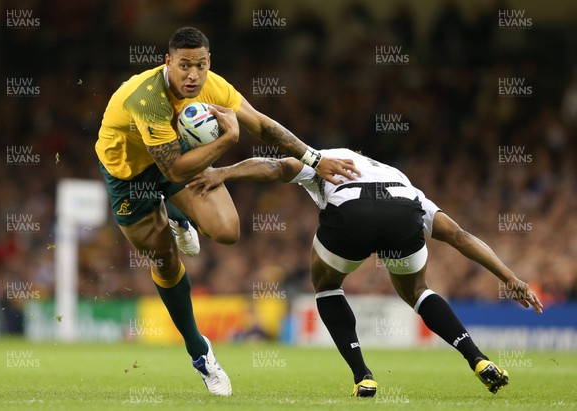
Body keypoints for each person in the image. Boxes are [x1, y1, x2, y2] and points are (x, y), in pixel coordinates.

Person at [94, 27, 358, 396]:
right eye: (184, 65)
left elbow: (262, 124)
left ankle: (177, 213)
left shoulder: (211, 84)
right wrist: (228, 140)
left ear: (208, 62)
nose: (192, 75)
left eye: (199, 65)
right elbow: (174, 170)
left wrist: (314, 157)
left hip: (178, 158)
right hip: (130, 174)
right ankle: (198, 351)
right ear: (167, 62)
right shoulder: (148, 99)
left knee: (227, 230)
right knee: (164, 259)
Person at [186, 148, 544, 397]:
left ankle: (363, 377)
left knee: (326, 284)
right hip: (402, 212)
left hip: (351, 212)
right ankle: (477, 358)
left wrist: (224, 172)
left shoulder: (324, 157)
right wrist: (509, 277)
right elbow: (459, 235)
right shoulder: (400, 178)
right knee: (417, 290)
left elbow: (277, 167)